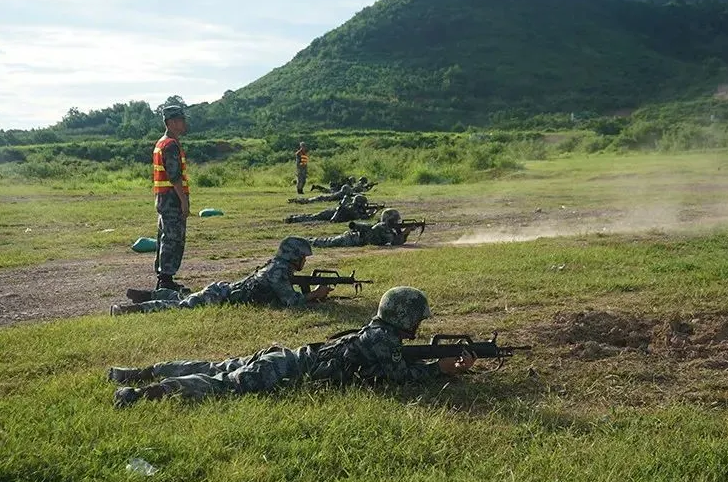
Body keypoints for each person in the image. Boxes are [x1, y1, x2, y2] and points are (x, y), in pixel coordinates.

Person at [109, 286, 475, 407]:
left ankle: (143, 371)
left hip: (289, 357)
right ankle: (143, 393)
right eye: (416, 319)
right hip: (286, 368)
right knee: (221, 383)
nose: (418, 325)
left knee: (217, 367)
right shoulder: (382, 339)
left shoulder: (377, 332)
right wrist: (440, 370)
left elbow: (388, 367)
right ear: (402, 317)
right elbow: (400, 376)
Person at [111, 237, 331, 315]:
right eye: (303, 256)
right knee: (183, 306)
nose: (304, 261)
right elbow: (292, 303)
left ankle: (147, 295)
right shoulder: (278, 272)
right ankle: (130, 310)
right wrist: (315, 294)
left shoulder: (280, 267)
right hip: (222, 296)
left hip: (224, 290)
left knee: (184, 299)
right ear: (294, 256)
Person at [153, 105, 190, 292]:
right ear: (172, 122)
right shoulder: (170, 145)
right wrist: (183, 200)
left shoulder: (162, 142)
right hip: (172, 198)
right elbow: (174, 176)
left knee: (165, 237)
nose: (184, 123)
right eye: (181, 120)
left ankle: (164, 278)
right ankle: (166, 280)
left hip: (163, 197)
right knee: (173, 238)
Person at [310, 208, 411, 248]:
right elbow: (395, 242)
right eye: (394, 220)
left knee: (326, 242)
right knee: (325, 243)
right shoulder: (382, 227)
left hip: (355, 240)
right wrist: (405, 232)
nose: (396, 222)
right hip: (351, 239)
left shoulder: (386, 228)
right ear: (388, 220)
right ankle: (307, 241)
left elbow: (398, 241)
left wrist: (406, 232)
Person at [284, 194, 373, 224]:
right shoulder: (352, 209)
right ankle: (293, 219)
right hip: (329, 213)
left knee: (312, 216)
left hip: (332, 212)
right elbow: (362, 217)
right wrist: (373, 212)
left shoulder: (353, 208)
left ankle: (293, 218)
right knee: (312, 217)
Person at [289, 183, 354, 204]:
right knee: (309, 201)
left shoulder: (341, 193)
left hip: (324, 197)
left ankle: (296, 200)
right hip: (324, 198)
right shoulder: (341, 194)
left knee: (309, 200)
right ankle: (296, 200)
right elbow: (332, 197)